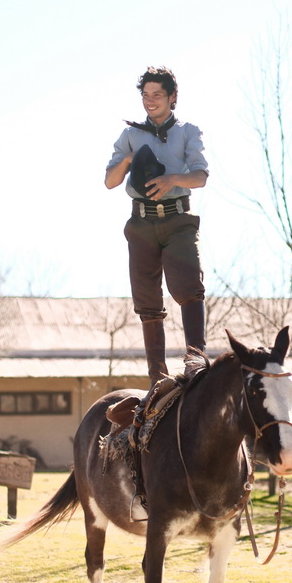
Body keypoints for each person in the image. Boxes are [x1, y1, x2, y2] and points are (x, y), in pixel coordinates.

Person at [105, 66, 208, 385]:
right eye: (145, 95)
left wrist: (171, 179)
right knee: (147, 301)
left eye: (157, 95)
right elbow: (109, 182)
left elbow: (201, 176)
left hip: (178, 220)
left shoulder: (188, 131)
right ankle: (157, 377)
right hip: (141, 223)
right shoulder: (130, 135)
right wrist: (127, 160)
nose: (150, 101)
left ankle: (196, 363)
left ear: (172, 97)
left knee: (189, 287)